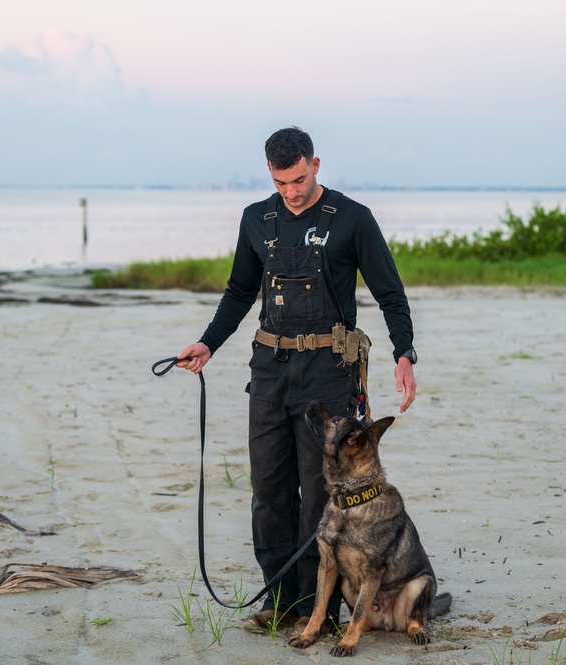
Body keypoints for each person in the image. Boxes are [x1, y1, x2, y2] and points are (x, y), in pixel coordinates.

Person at [175, 126, 417, 631]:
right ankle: (281, 602)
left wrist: (404, 352)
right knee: (268, 491)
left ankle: (318, 609)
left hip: (328, 374)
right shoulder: (256, 220)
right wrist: (207, 343)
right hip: (268, 372)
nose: (293, 192)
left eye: (300, 179)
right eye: (283, 182)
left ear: (317, 164)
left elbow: (389, 291)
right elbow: (240, 292)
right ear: (270, 172)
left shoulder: (352, 219)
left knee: (319, 494)